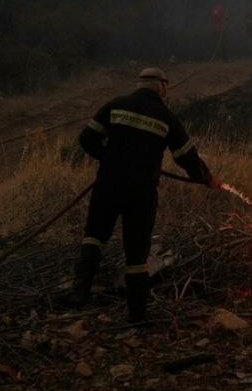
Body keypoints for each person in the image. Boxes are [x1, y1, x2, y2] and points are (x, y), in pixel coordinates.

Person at [62, 67, 220, 323]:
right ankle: (137, 313)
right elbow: (186, 156)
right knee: (136, 252)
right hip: (141, 193)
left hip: (108, 185)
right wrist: (207, 179)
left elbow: (86, 139)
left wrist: (110, 159)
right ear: (162, 86)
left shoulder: (115, 105)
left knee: (94, 237)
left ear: (140, 84)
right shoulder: (166, 116)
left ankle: (79, 294)